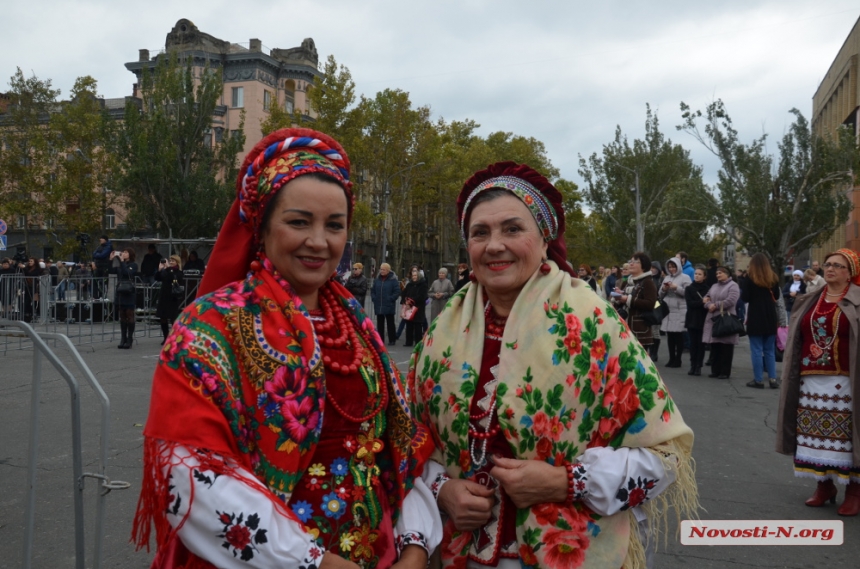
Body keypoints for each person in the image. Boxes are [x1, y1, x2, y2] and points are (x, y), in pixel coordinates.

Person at [133, 128, 441, 567]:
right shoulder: (210, 325)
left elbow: (397, 449)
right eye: (299, 222)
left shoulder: (355, 324)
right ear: (262, 228)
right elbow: (188, 473)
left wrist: (414, 546)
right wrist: (316, 562)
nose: (319, 241)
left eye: (335, 226)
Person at [409, 161, 697, 568]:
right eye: (480, 233)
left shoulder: (594, 325)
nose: (494, 245)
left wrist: (566, 482)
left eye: (512, 229)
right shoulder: (442, 332)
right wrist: (443, 490)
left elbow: (664, 456)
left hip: (567, 550)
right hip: (459, 551)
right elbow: (407, 440)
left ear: (545, 240)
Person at [776, 248, 860, 517]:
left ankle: (854, 491)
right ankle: (824, 486)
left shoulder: (857, 300)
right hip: (811, 379)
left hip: (847, 379)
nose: (830, 268)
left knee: (848, 436)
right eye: (827, 264)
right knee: (815, 436)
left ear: (850, 273)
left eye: (837, 265)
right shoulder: (812, 299)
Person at [740, 253, 782, 389]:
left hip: (755, 316)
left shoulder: (749, 278)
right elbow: (776, 295)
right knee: (769, 350)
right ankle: (773, 379)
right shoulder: (773, 278)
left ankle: (758, 380)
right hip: (770, 316)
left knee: (757, 350)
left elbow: (745, 298)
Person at [702, 266, 741, 379]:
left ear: (727, 274)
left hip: (726, 319)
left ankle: (725, 371)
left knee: (726, 347)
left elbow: (731, 300)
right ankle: (715, 370)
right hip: (713, 318)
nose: (718, 275)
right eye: (717, 273)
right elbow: (706, 298)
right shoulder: (714, 286)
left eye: (720, 273)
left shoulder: (733, 285)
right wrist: (709, 305)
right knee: (715, 346)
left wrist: (716, 305)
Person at [618, 252, 658, 349]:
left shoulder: (648, 282)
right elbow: (622, 301)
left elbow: (651, 303)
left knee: (638, 362)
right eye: (630, 261)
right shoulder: (627, 282)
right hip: (625, 326)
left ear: (643, 266)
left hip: (640, 329)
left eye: (635, 262)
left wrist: (628, 299)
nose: (631, 264)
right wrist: (618, 296)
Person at [660, 257, 691, 368]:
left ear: (678, 266)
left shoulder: (685, 277)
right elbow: (660, 294)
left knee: (678, 335)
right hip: (668, 309)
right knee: (670, 336)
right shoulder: (667, 277)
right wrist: (664, 289)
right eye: (670, 267)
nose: (672, 269)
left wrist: (676, 288)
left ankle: (678, 359)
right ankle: (671, 358)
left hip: (679, 308)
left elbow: (688, 293)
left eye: (673, 267)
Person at [110, 248, 138, 349]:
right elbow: (112, 271)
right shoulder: (120, 263)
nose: (123, 253)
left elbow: (127, 273)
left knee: (129, 314)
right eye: (123, 252)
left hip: (129, 292)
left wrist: (122, 262)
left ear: (130, 254)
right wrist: (112, 260)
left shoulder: (133, 265)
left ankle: (129, 338)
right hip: (121, 292)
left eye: (126, 252)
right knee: (122, 314)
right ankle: (123, 338)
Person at [684, 266, 710, 376]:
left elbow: (707, 304)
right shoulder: (689, 288)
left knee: (701, 344)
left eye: (699, 274)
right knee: (693, 344)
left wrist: (703, 303)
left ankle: (699, 366)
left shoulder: (708, 289)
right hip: (691, 318)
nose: (697, 276)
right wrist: (701, 302)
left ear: (704, 277)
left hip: (703, 318)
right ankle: (692, 365)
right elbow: (690, 304)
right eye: (696, 274)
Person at [154, 255, 183, 345]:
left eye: (173, 260)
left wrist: (168, 269)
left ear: (177, 262)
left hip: (172, 297)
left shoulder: (179, 272)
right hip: (164, 296)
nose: (171, 262)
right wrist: (159, 270)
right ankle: (166, 337)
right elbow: (158, 278)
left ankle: (174, 337)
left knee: (173, 318)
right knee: (163, 318)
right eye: (170, 260)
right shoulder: (167, 270)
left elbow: (174, 278)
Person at [371, 263, 400, 346]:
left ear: (388, 270)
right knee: (380, 323)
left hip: (389, 304)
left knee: (390, 323)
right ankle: (380, 339)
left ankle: (392, 339)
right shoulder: (377, 280)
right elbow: (373, 291)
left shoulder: (393, 280)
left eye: (383, 269)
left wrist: (391, 299)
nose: (382, 271)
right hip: (379, 304)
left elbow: (397, 291)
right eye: (381, 269)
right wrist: (374, 298)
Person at [401, 266, 428, 347]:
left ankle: (418, 342)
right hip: (409, 307)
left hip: (418, 307)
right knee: (409, 324)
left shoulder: (423, 285)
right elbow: (404, 293)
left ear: (419, 276)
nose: (414, 277)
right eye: (413, 276)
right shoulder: (409, 285)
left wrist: (412, 301)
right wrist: (405, 301)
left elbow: (422, 296)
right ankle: (408, 341)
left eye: (415, 276)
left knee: (417, 325)